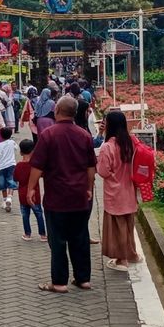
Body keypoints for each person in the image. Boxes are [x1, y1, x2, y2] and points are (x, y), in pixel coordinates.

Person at [28, 96, 96, 293]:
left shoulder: (48, 135)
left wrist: (31, 188)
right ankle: (83, 279)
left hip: (56, 197)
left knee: (57, 241)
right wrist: (89, 188)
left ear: (56, 110)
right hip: (80, 196)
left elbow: (38, 166)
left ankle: (59, 282)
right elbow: (91, 167)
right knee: (80, 238)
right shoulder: (84, 135)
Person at [97, 111, 140, 272]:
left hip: (114, 192)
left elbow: (102, 171)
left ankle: (122, 260)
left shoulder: (108, 147)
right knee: (128, 224)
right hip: (129, 189)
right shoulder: (131, 143)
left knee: (118, 226)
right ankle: (133, 254)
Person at [14, 139, 46, 242]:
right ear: (33, 150)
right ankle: (43, 234)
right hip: (34, 194)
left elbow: (15, 178)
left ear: (21, 152)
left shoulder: (19, 166)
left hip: (22, 195)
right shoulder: (35, 165)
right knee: (39, 214)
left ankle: (27, 234)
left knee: (25, 215)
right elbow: (42, 175)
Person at [0, 127, 18, 212]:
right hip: (11, 165)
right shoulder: (12, 142)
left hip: (1, 167)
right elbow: (16, 148)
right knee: (11, 181)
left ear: (0, 135)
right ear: (10, 135)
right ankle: (9, 197)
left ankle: (4, 200)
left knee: (3, 184)